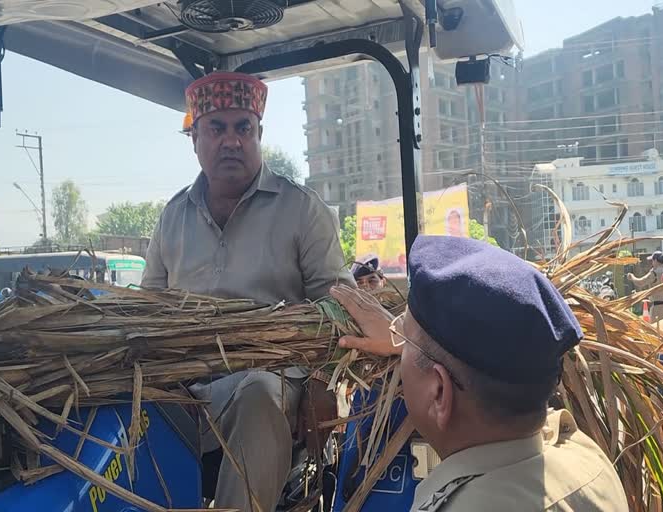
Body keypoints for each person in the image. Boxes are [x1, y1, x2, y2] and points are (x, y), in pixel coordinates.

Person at [141, 71, 354, 512]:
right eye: (217, 128)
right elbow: (148, 311)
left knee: (257, 392)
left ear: (259, 135)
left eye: (244, 129)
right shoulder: (172, 218)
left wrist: (321, 380)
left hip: (275, 380)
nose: (232, 141)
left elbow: (341, 307)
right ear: (195, 138)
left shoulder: (301, 209)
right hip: (187, 388)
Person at [331, 236, 629, 511]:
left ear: (438, 393)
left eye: (403, 340)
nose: (397, 344)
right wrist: (413, 344)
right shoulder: (588, 460)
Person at [627, 251, 663, 323]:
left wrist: (632, 277)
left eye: (652, 260)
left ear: (655, 260)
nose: (652, 263)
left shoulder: (654, 273)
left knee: (656, 331)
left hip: (657, 307)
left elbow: (640, 283)